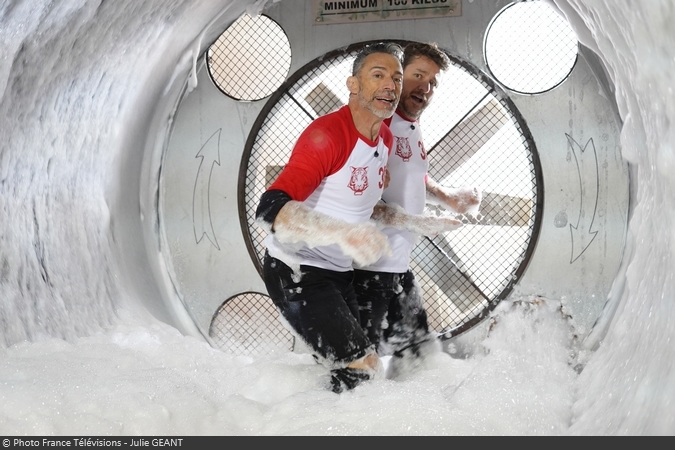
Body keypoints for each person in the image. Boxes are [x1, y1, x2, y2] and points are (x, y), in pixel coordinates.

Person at [254, 42, 406, 394]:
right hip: (296, 271)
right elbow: (271, 208)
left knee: (353, 372)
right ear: (353, 84)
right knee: (365, 370)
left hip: (338, 274)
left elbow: (355, 203)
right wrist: (343, 233)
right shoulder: (327, 136)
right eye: (378, 75)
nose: (390, 86)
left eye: (396, 79)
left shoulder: (383, 136)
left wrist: (416, 222)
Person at [354, 42, 483, 380]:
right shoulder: (376, 126)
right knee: (358, 366)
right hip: (364, 267)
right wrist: (417, 222)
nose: (425, 88)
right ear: (396, 78)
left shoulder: (408, 125)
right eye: (417, 76)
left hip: (395, 263)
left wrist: (447, 196)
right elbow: (357, 197)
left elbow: (411, 173)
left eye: (433, 82)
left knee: (416, 350)